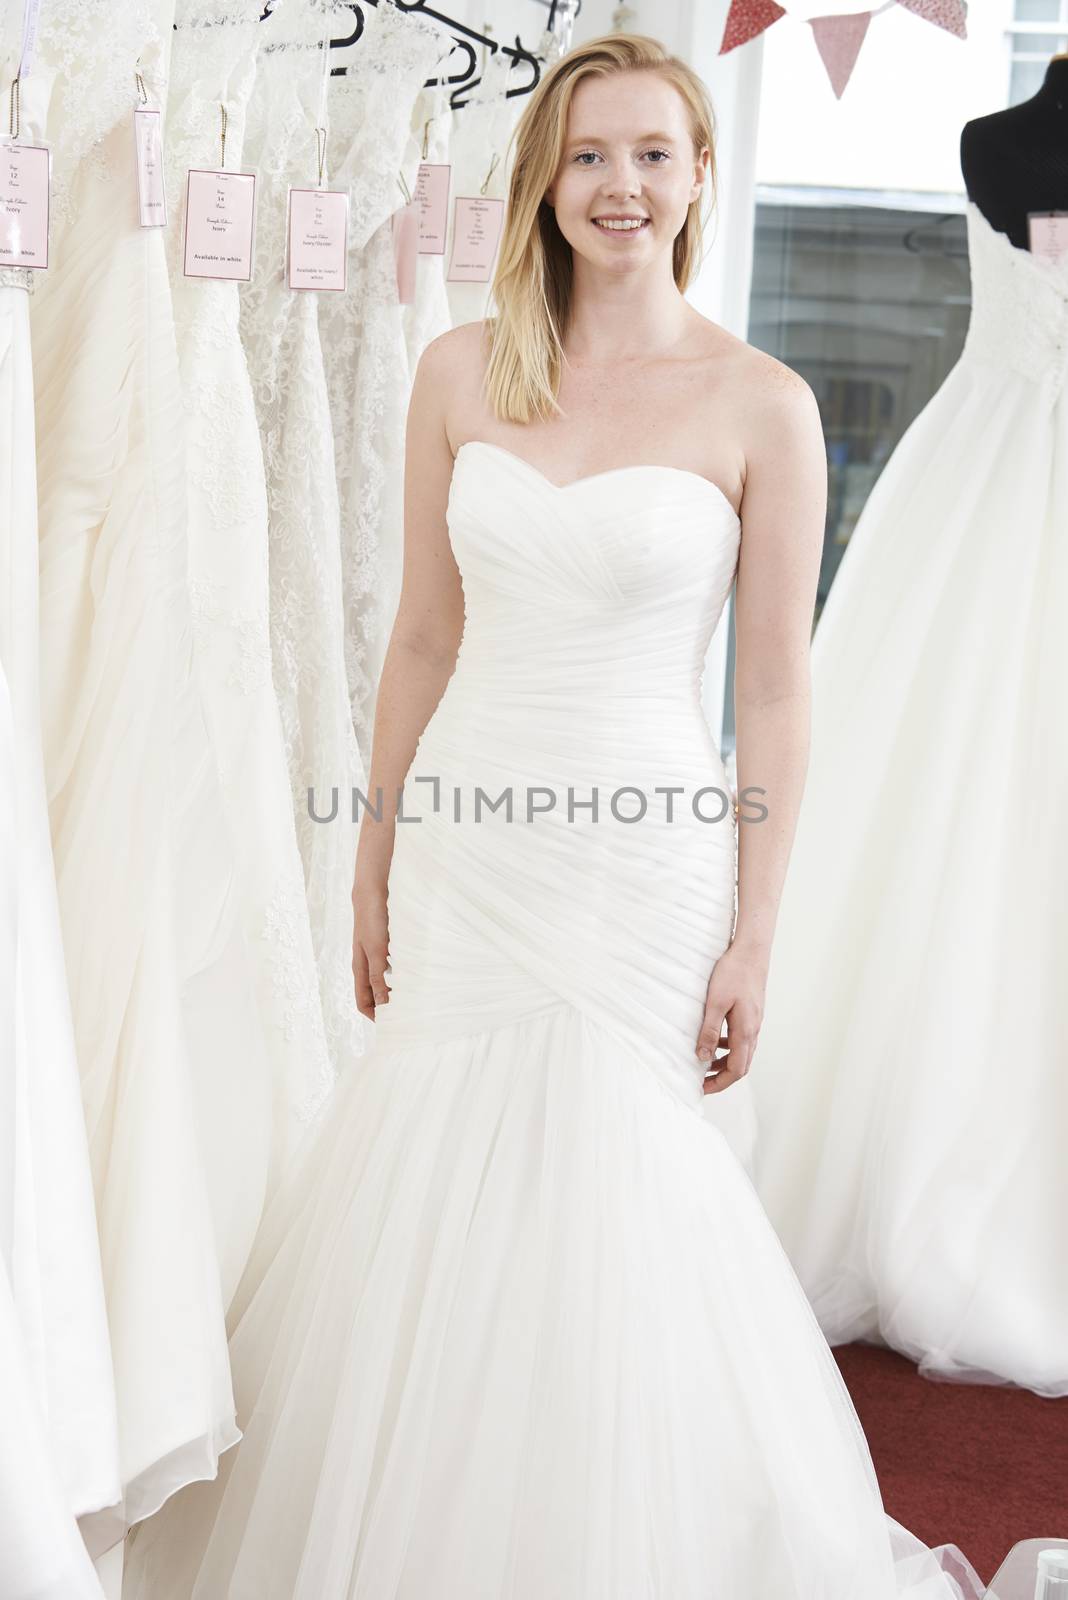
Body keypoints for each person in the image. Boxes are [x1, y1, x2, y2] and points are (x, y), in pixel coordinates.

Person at [122, 33, 984, 1599]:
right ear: (545, 180)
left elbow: (778, 697)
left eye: (655, 155)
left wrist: (758, 929)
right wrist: (372, 856)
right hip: (472, 840)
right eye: (591, 156)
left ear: (702, 176)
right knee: (434, 1162)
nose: (622, 187)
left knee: (617, 1181)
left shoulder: (764, 403)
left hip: (647, 862)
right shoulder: (462, 373)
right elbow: (422, 641)